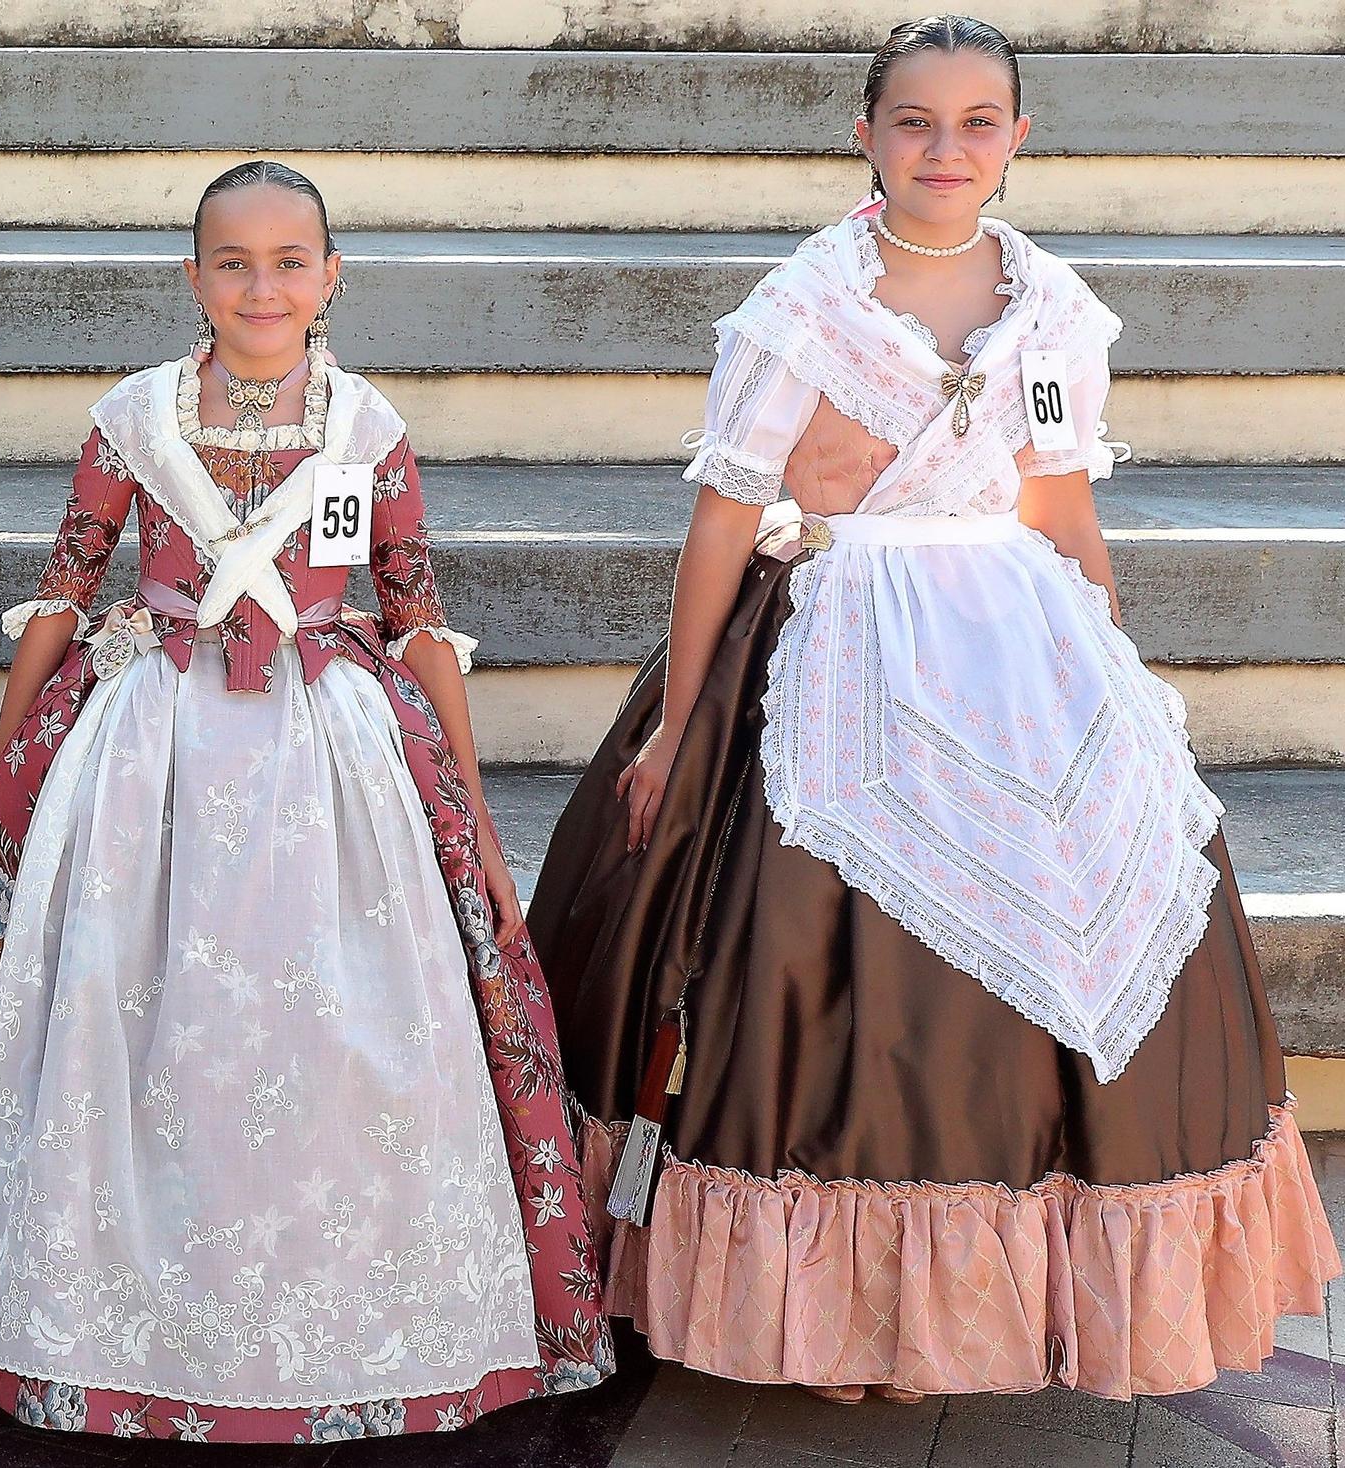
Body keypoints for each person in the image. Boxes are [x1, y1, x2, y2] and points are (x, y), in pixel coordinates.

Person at [526, 16, 1338, 1404]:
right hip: (843, 632)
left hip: (1016, 637)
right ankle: (840, 1317)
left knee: (1089, 928)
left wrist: (1114, 672)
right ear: (866, 136)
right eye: (914, 120)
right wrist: (670, 727)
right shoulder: (803, 306)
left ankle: (1003, 1306)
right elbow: (725, 521)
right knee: (839, 974)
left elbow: (1061, 502)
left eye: (977, 122)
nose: (945, 148)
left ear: (1018, 139)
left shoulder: (1057, 314)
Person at [0, 160, 613, 1443]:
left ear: (330, 275)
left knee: (343, 1025)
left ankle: (356, 1323)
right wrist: (12, 765)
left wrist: (468, 814)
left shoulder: (368, 430)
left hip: (331, 746)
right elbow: (66, 586)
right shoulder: (134, 419)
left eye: (287, 261)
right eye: (231, 262)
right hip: (155, 741)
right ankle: (123, 1326)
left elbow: (414, 619)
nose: (260, 285)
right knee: (145, 1016)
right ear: (193, 277)